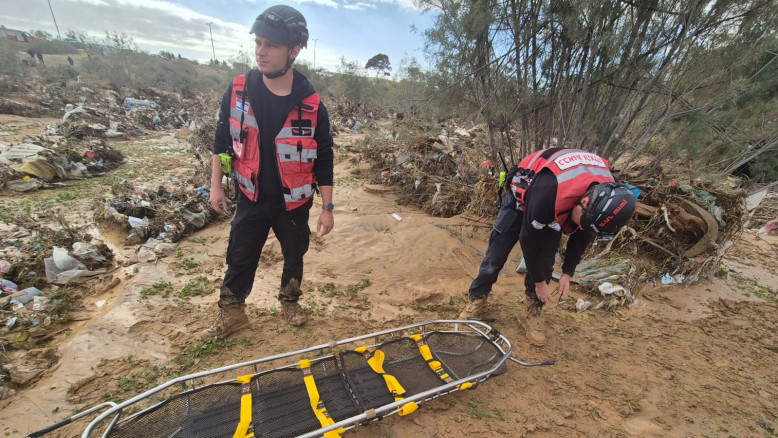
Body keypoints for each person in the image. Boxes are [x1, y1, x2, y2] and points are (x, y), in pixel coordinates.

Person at [204, 4, 335, 338]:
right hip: (251, 195)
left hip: (294, 201)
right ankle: (232, 312)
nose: (260, 52)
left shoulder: (311, 103)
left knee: (295, 252)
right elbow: (222, 141)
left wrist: (328, 207)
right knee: (240, 254)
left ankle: (289, 302)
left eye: (271, 45)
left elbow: (324, 157)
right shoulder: (239, 90)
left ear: (294, 50)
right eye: (258, 43)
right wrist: (216, 185)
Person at [459, 148, 637, 347]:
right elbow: (529, 240)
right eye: (582, 224)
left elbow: (584, 232)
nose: (580, 228)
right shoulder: (551, 193)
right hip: (523, 196)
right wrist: (540, 284)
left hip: (557, 198)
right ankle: (477, 299)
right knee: (495, 256)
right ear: (584, 201)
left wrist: (567, 273)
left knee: (546, 262)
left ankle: (532, 311)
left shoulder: (606, 197)